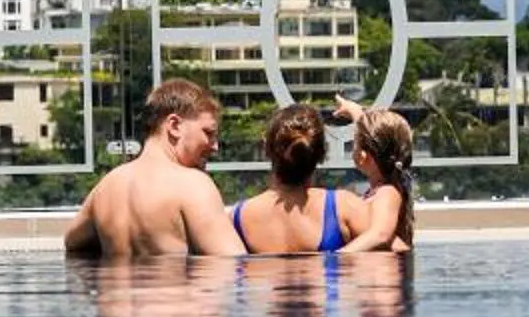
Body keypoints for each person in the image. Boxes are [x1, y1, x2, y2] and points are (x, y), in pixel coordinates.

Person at [63, 80, 245, 260]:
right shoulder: (192, 184)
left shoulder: (107, 186)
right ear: (174, 126)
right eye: (208, 133)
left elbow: (72, 243)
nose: (215, 147)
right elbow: (233, 267)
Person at [231, 103, 367, 255]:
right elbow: (394, 247)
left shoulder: (237, 218)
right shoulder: (344, 207)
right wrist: (360, 117)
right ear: (321, 154)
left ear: (266, 149)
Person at [337, 100, 416, 254]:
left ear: (362, 156)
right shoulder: (387, 186)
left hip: (383, 275)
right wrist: (355, 112)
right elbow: (371, 134)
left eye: (354, 143)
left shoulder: (387, 193)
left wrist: (337, 257)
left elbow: (380, 234)